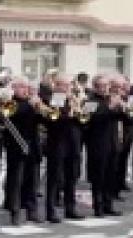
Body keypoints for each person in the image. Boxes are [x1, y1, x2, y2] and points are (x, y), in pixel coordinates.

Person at [44, 74, 85, 222]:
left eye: (70, 86)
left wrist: (79, 109)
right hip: (58, 142)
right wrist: (71, 112)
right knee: (54, 177)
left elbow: (83, 122)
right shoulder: (55, 99)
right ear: (57, 86)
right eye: (66, 86)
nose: (69, 89)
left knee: (72, 176)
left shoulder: (73, 99)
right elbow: (54, 120)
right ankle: (51, 210)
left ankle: (70, 208)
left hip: (73, 142)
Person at [3, 76, 43, 225]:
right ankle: (15, 211)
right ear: (14, 88)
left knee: (32, 179)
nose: (26, 90)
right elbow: (14, 114)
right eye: (22, 87)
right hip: (17, 145)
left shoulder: (32, 102)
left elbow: (44, 120)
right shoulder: (10, 103)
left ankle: (31, 210)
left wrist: (41, 109)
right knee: (16, 180)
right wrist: (31, 106)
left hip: (33, 144)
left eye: (27, 87)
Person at [86, 74, 125, 217]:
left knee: (111, 176)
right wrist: (110, 107)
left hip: (113, 143)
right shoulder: (90, 100)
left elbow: (122, 117)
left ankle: (109, 204)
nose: (104, 89)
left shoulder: (111, 99)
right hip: (97, 144)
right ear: (95, 87)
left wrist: (123, 108)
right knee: (99, 177)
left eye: (106, 86)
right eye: (101, 86)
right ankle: (98, 207)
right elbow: (92, 119)